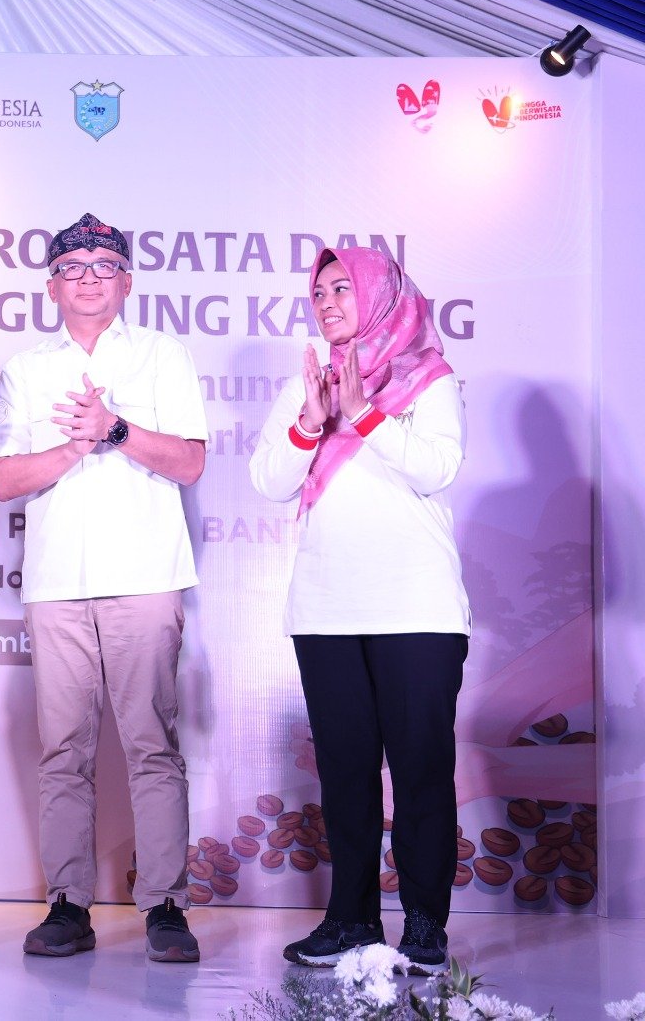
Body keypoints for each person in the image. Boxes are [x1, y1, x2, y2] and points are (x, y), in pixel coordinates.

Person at [0, 213, 209, 963]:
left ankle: (167, 905)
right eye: (71, 267)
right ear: (50, 287)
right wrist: (73, 447)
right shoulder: (26, 369)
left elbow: (189, 463)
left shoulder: (162, 355)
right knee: (63, 751)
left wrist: (114, 429)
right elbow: (2, 479)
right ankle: (67, 902)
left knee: (153, 746)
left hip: (145, 577)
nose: (87, 277)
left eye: (103, 264)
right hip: (57, 585)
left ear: (127, 281)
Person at [248, 245, 468, 976]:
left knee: (421, 768)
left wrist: (365, 414)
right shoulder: (309, 380)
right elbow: (268, 479)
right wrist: (311, 422)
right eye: (319, 293)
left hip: (416, 607)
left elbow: (437, 467)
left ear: (380, 294)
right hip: (327, 609)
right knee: (345, 772)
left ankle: (426, 925)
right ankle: (350, 919)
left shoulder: (429, 377)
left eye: (343, 288)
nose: (328, 303)